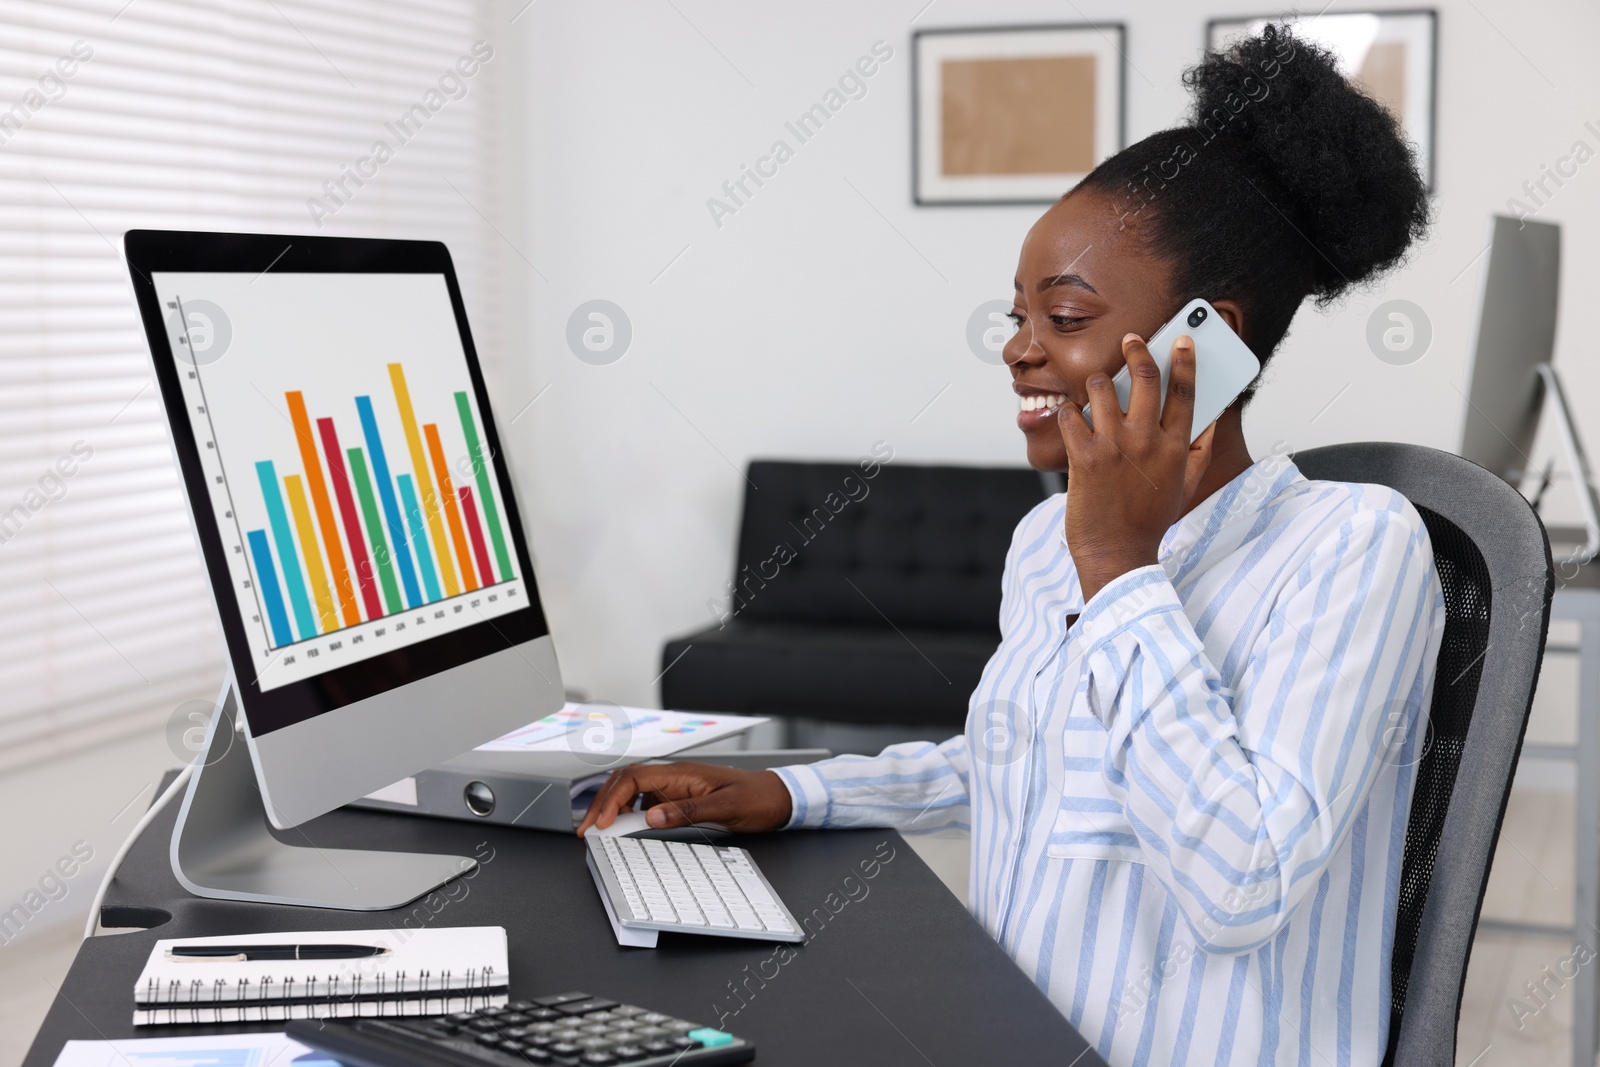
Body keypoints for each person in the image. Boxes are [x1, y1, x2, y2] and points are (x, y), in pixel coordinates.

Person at [580, 25, 1445, 1067]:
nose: (1019, 347)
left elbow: (1241, 882)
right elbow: (1021, 758)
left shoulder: (1352, 546)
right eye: (1017, 312)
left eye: (1065, 314)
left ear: (1204, 336)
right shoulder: (1049, 540)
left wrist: (1122, 565)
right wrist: (800, 789)